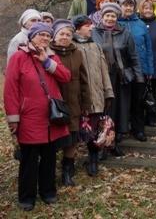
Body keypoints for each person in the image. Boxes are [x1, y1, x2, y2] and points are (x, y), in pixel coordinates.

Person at [4, 22, 71, 211]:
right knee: (29, 159)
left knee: (49, 157)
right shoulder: (19, 57)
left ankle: (48, 191)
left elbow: (66, 76)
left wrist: (48, 62)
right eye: (41, 34)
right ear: (31, 36)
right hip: (29, 117)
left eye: (48, 35)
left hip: (52, 117)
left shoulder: (51, 56)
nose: (45, 38)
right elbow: (10, 90)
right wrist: (13, 118)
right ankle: (27, 196)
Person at [92, 2, 144, 156]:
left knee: (120, 109)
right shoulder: (95, 32)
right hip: (102, 77)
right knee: (105, 110)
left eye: (113, 16)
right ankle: (102, 143)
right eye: (107, 15)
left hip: (121, 77)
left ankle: (114, 141)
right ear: (102, 17)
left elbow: (134, 56)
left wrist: (139, 76)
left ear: (117, 17)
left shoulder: (125, 33)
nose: (110, 18)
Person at [50, 19, 92, 186]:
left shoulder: (77, 53)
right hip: (54, 102)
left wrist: (86, 103)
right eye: (61, 34)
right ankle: (49, 172)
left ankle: (68, 171)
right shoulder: (48, 53)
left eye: (68, 34)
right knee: (53, 138)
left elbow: (83, 80)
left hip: (74, 102)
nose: (65, 37)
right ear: (54, 36)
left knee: (72, 138)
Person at [71, 15, 114, 176]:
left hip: (97, 95)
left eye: (91, 25)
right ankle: (70, 162)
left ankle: (93, 160)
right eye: (87, 25)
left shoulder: (96, 46)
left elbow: (104, 70)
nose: (91, 28)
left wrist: (108, 92)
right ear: (78, 28)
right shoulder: (71, 46)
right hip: (80, 98)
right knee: (80, 130)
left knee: (95, 129)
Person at [117, 0, 153, 142]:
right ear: (119, 6)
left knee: (138, 101)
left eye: (130, 5)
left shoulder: (140, 24)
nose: (128, 7)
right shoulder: (116, 24)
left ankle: (138, 130)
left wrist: (149, 69)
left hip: (140, 69)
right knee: (123, 101)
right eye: (125, 5)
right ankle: (121, 129)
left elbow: (149, 48)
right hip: (123, 70)